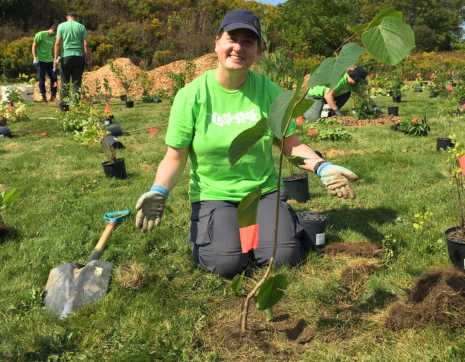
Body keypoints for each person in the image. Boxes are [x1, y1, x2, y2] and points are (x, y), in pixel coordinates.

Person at [135, 9, 359, 279]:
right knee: (227, 264)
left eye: (249, 42)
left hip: (262, 192)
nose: (238, 48)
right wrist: (159, 190)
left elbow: (290, 144)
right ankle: (232, 235)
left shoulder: (270, 91)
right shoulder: (192, 95)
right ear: (217, 42)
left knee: (283, 256)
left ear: (258, 51)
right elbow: (175, 157)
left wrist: (322, 167)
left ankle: (256, 232)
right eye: (232, 38)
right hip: (215, 195)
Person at [303, 67, 383, 121]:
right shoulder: (340, 80)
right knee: (313, 119)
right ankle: (302, 113)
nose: (358, 84)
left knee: (347, 93)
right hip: (316, 96)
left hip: (328, 96)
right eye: (357, 81)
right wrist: (337, 111)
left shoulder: (354, 85)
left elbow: (364, 96)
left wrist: (375, 106)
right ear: (353, 77)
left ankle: (332, 113)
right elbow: (327, 95)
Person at [53, 11, 90, 106]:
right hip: (79, 56)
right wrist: (87, 59)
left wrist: (55, 59)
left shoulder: (61, 26)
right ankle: (75, 102)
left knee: (65, 80)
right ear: (76, 18)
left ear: (67, 17)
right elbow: (85, 44)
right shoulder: (81, 27)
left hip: (66, 56)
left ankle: (64, 103)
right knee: (77, 81)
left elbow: (57, 43)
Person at [32, 25, 58, 103]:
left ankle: (53, 96)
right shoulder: (41, 34)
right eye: (56, 32)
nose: (56, 34)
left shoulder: (54, 38)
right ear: (53, 30)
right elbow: (34, 46)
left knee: (54, 78)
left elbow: (54, 49)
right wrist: (35, 58)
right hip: (41, 61)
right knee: (42, 79)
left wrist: (55, 59)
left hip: (50, 61)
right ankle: (43, 96)